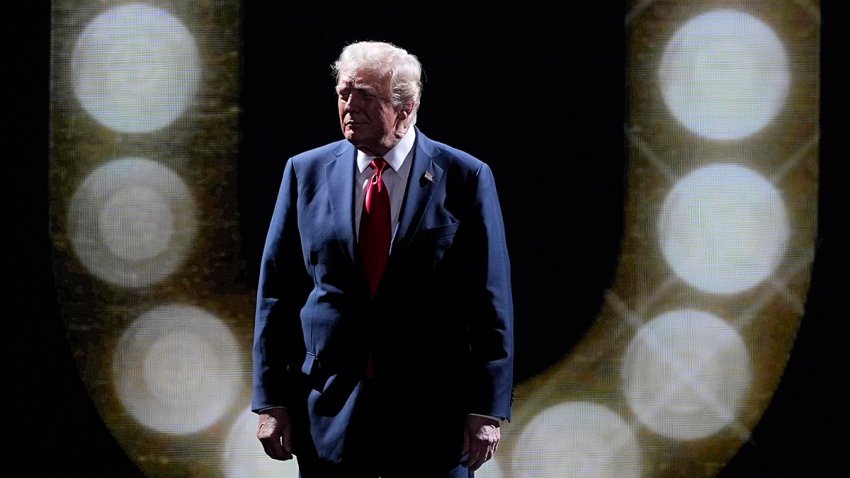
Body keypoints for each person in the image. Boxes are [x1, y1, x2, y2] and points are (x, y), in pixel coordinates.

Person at [252, 40, 514, 478]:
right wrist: (271, 401)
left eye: (366, 96)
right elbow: (276, 293)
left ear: (407, 107)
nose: (349, 107)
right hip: (329, 411)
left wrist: (487, 408)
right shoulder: (304, 172)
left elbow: (491, 302)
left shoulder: (465, 177)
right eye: (343, 93)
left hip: (431, 413)